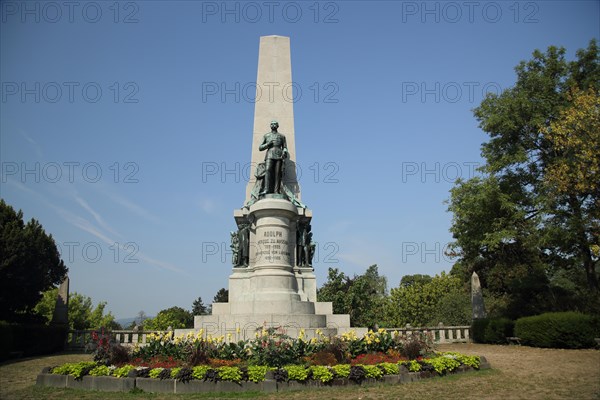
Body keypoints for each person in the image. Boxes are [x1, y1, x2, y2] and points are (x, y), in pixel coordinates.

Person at [258, 120, 288, 195]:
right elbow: (260, 147)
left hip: (279, 154)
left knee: (277, 173)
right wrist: (268, 144)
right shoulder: (266, 135)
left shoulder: (282, 136)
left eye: (275, 124)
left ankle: (276, 190)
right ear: (270, 126)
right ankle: (266, 189)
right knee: (268, 170)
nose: (273, 125)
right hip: (270, 154)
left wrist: (284, 151)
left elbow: (285, 147)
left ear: (277, 126)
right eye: (272, 124)